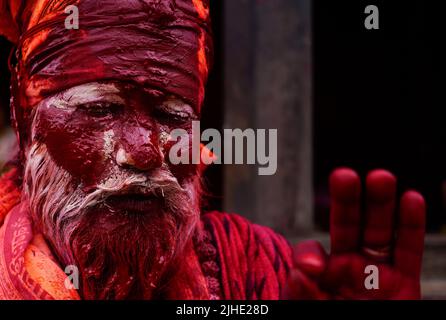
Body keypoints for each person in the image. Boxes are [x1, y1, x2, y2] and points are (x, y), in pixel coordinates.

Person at [0, 0, 425, 300]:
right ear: (28, 126)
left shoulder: (257, 268)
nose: (144, 153)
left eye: (171, 118)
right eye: (101, 109)